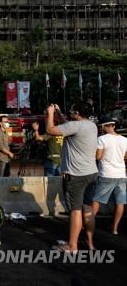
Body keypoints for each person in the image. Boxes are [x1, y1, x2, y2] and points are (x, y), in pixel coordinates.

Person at [46, 102, 98, 252]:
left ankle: (72, 246)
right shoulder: (91, 125)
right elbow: (67, 125)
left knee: (75, 210)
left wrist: (50, 113)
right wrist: (60, 112)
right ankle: (90, 243)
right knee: (87, 209)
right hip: (91, 173)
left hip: (76, 175)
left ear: (76, 113)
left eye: (71, 112)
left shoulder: (76, 126)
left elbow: (50, 130)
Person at [87, 118, 127, 248]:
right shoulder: (124, 139)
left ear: (105, 126)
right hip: (121, 174)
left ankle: (87, 226)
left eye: (101, 126)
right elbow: (125, 157)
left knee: (96, 201)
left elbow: (98, 157)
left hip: (106, 174)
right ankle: (114, 229)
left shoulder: (102, 139)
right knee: (120, 202)